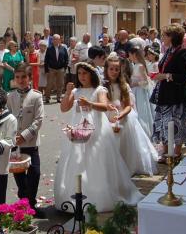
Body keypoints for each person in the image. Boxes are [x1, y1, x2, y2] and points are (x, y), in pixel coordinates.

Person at [55, 62, 143, 212]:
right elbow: (64, 108)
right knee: (76, 160)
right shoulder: (76, 91)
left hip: (95, 130)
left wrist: (89, 103)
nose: (82, 76)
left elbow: (104, 107)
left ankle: (98, 196)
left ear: (92, 74)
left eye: (85, 73)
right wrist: (67, 92)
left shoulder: (99, 90)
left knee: (95, 160)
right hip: (78, 129)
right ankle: (73, 197)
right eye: (80, 74)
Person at [103, 56, 157, 175]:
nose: (114, 72)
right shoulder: (102, 86)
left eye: (117, 69)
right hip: (106, 116)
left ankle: (125, 167)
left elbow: (128, 106)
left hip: (122, 116)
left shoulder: (124, 86)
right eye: (111, 69)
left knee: (124, 143)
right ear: (106, 69)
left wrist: (121, 114)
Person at [150, 25, 186, 161]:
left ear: (172, 37)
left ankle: (176, 153)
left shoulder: (183, 52)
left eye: (164, 35)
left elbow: (184, 75)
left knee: (177, 124)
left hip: (176, 96)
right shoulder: (169, 51)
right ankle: (166, 152)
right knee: (163, 124)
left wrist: (165, 76)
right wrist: (159, 75)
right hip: (164, 95)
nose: (162, 38)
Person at [7, 63, 44, 216]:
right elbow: (6, 118)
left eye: (24, 77)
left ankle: (30, 202)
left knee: (34, 172)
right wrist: (13, 136)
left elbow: (39, 119)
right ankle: (26, 205)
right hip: (16, 145)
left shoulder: (36, 96)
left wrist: (25, 135)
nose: (21, 80)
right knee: (20, 176)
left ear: (29, 78)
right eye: (17, 77)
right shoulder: (10, 96)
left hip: (31, 143)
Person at [128, 46, 155, 137]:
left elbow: (145, 82)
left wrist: (135, 84)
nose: (129, 56)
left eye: (130, 55)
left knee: (141, 111)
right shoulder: (135, 65)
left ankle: (144, 132)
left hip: (139, 92)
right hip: (135, 91)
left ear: (134, 55)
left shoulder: (140, 66)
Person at [44, 34, 68, 103]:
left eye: (57, 39)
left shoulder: (63, 48)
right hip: (51, 69)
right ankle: (47, 98)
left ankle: (59, 98)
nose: (55, 40)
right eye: (54, 39)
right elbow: (46, 60)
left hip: (60, 69)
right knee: (49, 84)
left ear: (59, 40)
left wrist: (65, 67)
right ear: (52, 40)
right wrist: (46, 70)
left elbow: (66, 58)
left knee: (60, 84)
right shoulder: (49, 49)